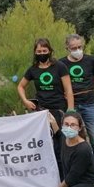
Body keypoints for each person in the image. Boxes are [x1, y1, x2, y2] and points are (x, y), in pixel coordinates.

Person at [18, 38, 73, 178]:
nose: (42, 53)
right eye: (39, 51)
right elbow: (20, 86)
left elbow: (68, 90)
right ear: (35, 52)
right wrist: (25, 101)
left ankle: (63, 176)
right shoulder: (33, 69)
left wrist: (71, 112)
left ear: (50, 51)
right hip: (41, 112)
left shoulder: (60, 66)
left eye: (44, 51)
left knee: (61, 144)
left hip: (59, 110)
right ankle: (47, 175)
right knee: (46, 145)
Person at [59, 34, 94, 173]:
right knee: (71, 135)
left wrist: (88, 90)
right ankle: (75, 164)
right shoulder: (62, 64)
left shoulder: (91, 60)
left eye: (80, 47)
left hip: (89, 103)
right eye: (74, 48)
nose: (77, 50)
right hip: (71, 104)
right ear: (67, 47)